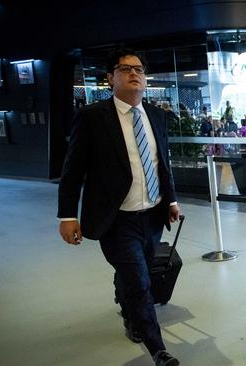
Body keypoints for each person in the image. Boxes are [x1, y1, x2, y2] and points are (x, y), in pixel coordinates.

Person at [57, 48, 181, 366]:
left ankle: (127, 306)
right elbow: (73, 171)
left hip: (152, 215)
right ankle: (159, 350)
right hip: (117, 220)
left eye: (139, 69)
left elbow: (161, 163)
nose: (134, 73)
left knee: (138, 276)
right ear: (110, 78)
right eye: (125, 69)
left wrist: (171, 201)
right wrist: (68, 215)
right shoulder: (93, 117)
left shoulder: (155, 115)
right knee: (139, 283)